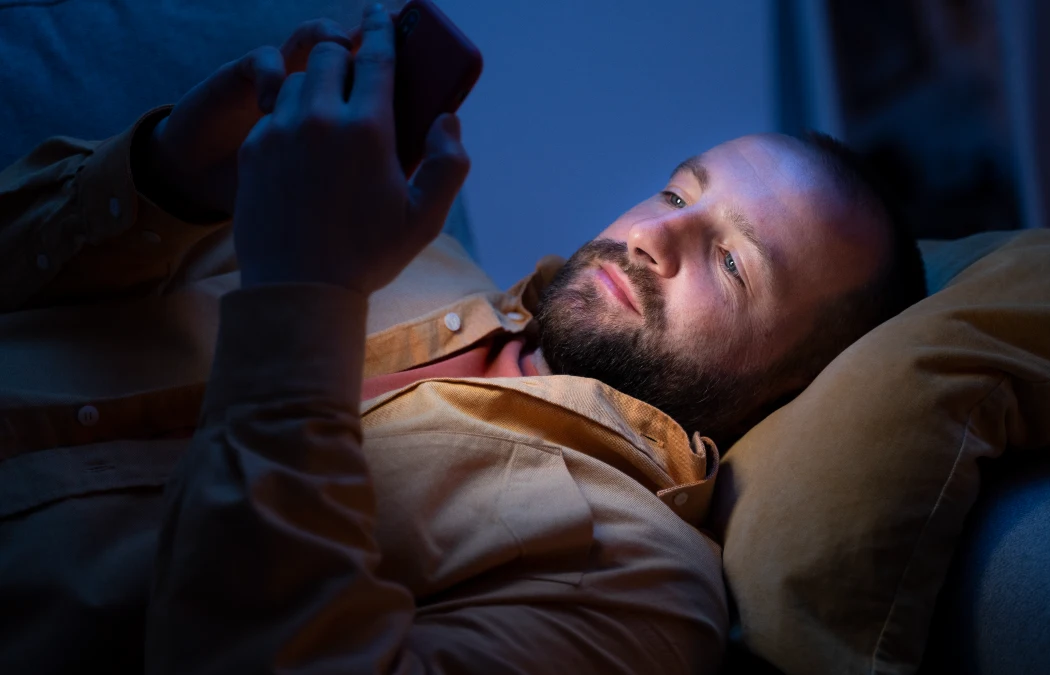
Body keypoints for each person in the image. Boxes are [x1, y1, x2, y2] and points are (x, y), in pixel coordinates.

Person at [0, 6, 926, 674]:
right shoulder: (402, 233)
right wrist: (166, 175)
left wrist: (304, 291)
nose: (655, 233)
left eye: (731, 264)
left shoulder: (638, 589)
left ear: (799, 386)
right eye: (680, 192)